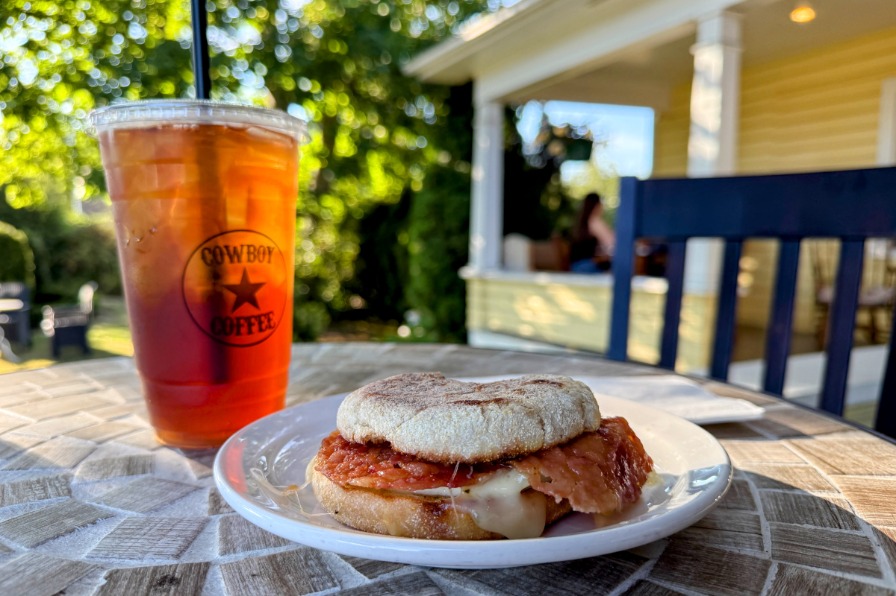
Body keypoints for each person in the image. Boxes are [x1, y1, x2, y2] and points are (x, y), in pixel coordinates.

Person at [569, 192, 615, 273]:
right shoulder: (594, 222)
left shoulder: (581, 223)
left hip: (576, 266)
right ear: (597, 205)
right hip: (587, 268)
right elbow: (613, 243)